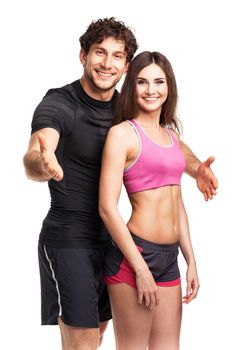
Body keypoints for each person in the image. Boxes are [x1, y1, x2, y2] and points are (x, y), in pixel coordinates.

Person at [23, 17, 217, 350]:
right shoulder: (61, 104)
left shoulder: (123, 111)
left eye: (117, 56)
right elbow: (38, 149)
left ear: (126, 66)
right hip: (70, 240)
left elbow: (165, 143)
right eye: (99, 53)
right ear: (83, 56)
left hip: (113, 242)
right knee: (82, 342)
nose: (107, 63)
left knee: (97, 335)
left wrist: (197, 167)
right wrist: (42, 163)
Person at [99, 51, 201, 350]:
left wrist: (190, 259)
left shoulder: (171, 137)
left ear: (169, 86)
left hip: (169, 259)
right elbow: (107, 208)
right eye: (142, 82)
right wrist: (141, 268)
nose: (151, 90)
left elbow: (176, 202)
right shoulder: (122, 134)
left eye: (159, 82)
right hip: (135, 256)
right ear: (132, 87)